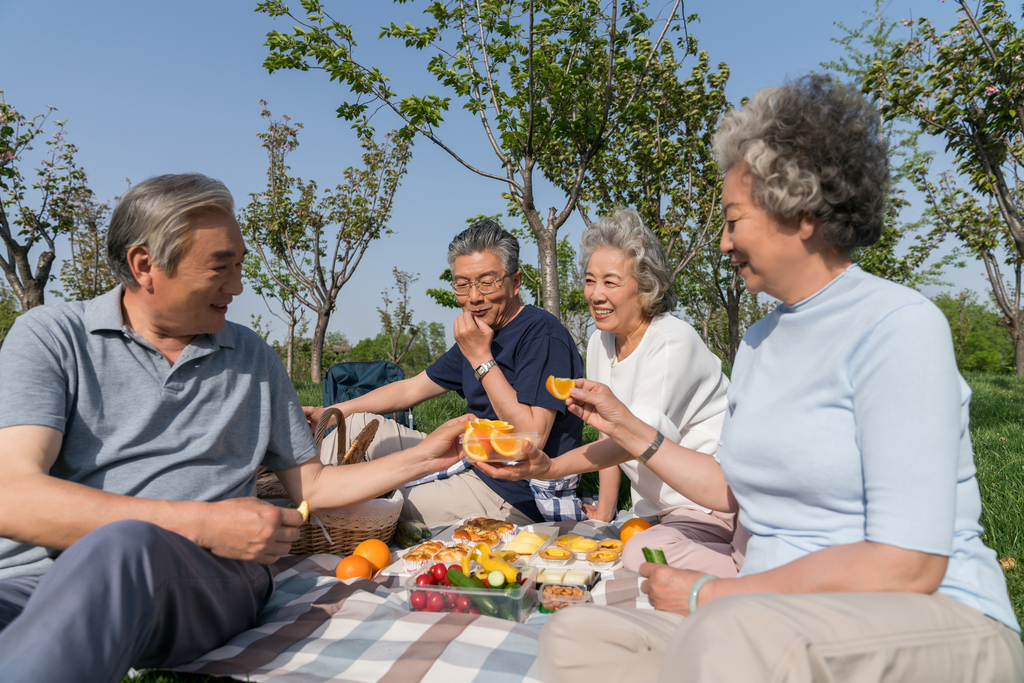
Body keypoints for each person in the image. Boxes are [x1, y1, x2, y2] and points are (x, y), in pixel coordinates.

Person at [535, 76, 1023, 682]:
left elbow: (908, 565)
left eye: (734, 219)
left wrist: (714, 596)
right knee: (582, 637)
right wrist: (632, 432)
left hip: (923, 613)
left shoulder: (898, 325)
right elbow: (727, 490)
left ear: (802, 211)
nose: (723, 242)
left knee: (732, 640)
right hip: (765, 613)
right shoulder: (760, 342)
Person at [0, 174, 468, 683]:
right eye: (220, 267)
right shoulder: (52, 338)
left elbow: (311, 485)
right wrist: (203, 520)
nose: (238, 286)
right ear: (144, 266)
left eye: (239, 265)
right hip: (35, 580)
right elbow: (11, 495)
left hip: (207, 576)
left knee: (124, 548)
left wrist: (425, 456)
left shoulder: (250, 357)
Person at [306, 220, 586, 527]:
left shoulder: (541, 335)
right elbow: (410, 390)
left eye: (487, 282)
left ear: (515, 282)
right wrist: (330, 413)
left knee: (383, 504)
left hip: (511, 491)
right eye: (462, 284)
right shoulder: (481, 332)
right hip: (468, 455)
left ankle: (317, 518)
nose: (474, 297)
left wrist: (481, 358)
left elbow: (530, 436)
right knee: (357, 423)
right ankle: (307, 492)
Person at [549, 207, 743, 576]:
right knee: (620, 544)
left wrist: (551, 467)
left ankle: (758, 575)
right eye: (590, 281)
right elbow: (612, 429)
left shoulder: (672, 342)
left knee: (640, 555)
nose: (596, 294)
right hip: (663, 511)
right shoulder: (599, 342)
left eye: (611, 282)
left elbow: (634, 440)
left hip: (713, 502)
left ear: (645, 286)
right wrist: (605, 511)